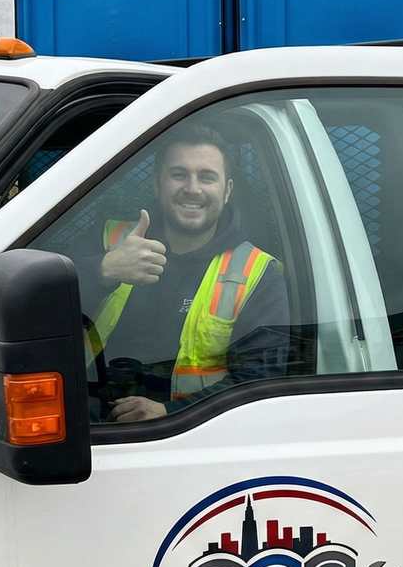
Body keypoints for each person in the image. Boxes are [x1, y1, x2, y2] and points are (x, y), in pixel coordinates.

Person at [80, 125, 289, 422]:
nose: (192, 189)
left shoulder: (258, 273)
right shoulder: (108, 240)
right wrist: (102, 270)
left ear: (227, 190)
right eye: (179, 174)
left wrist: (171, 413)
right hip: (84, 423)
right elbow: (41, 310)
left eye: (207, 177)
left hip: (187, 435)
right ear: (157, 184)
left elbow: (260, 379)